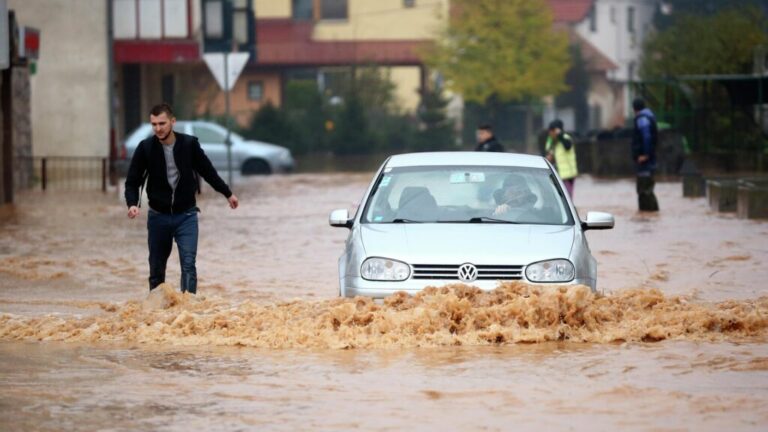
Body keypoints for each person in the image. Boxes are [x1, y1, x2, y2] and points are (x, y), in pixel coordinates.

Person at [125, 103, 239, 294]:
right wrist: (132, 204)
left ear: (172, 122)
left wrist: (228, 193)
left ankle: (187, 310)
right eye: (154, 124)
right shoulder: (146, 148)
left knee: (188, 265)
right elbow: (132, 181)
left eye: (162, 123)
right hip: (158, 217)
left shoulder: (189, 145)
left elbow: (208, 171)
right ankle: (157, 314)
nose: (158, 128)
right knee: (156, 269)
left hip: (186, 215)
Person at [631, 98, 659, 211]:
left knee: (644, 190)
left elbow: (646, 137)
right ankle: (651, 214)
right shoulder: (649, 116)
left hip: (645, 161)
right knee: (647, 189)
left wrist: (645, 154)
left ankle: (647, 214)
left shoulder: (642, 119)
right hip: (649, 160)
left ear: (634, 109)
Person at [544, 119, 578, 197]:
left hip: (568, 175)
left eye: (552, 131)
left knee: (567, 197)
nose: (550, 133)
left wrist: (560, 135)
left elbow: (568, 146)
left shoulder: (565, 138)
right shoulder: (552, 141)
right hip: (558, 174)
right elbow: (548, 152)